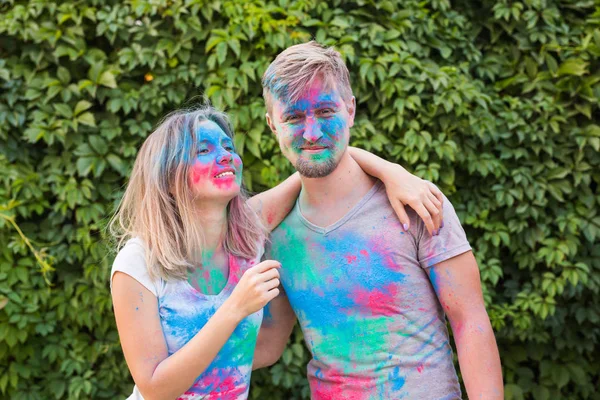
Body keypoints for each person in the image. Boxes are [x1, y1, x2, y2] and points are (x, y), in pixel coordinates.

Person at [109, 105, 444, 399]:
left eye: (228, 146)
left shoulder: (248, 234)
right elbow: (154, 389)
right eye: (204, 150)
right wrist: (235, 308)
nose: (225, 155)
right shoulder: (138, 261)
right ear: (168, 176)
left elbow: (316, 162)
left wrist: (392, 172)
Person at [255, 42, 504, 399]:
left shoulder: (418, 204)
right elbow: (268, 344)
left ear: (351, 110)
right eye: (293, 118)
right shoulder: (277, 235)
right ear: (272, 125)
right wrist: (169, 360)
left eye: (325, 112)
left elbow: (470, 322)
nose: (311, 133)